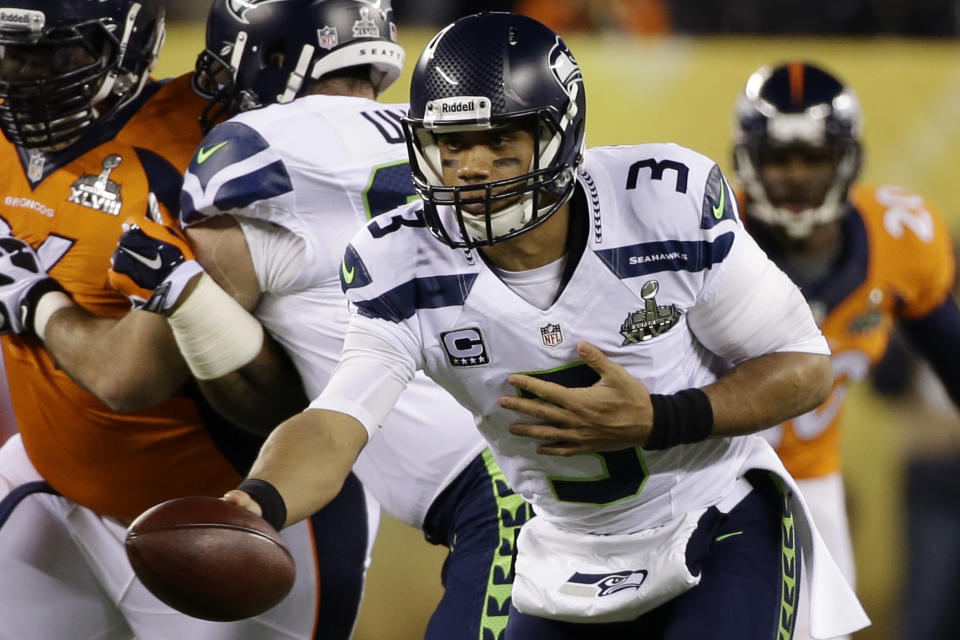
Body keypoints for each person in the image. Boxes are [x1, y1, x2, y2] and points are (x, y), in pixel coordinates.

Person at [177, 12, 873, 638]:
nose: (472, 168)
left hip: (715, 520)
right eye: (452, 144)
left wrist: (663, 418)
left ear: (557, 134)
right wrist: (257, 501)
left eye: (499, 141)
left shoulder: (663, 203)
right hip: (562, 555)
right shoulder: (400, 259)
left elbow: (801, 367)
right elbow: (337, 420)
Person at [108, 1, 533, 638]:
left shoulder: (256, 148)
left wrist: (173, 292)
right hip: (552, 458)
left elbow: (168, 367)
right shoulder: (447, 132)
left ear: (275, 55)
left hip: (505, 490)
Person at [0, 2, 373, 638]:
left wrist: (32, 302)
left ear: (129, 45)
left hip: (227, 520)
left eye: (60, 53)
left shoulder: (212, 149)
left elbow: (129, 381)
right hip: (54, 486)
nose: (26, 73)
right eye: (12, 49)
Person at [731, 60, 960, 640]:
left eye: (815, 157)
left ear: (847, 158)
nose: (797, 175)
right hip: (699, 479)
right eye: (779, 158)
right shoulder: (711, 234)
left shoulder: (901, 236)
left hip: (811, 484)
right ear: (748, 159)